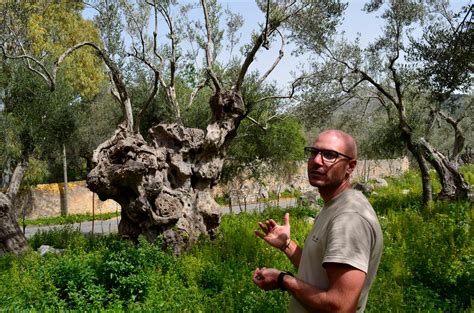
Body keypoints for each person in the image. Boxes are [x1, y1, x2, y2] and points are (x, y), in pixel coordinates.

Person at [252, 130, 383, 312]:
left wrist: (283, 279)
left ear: (350, 167)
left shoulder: (349, 219)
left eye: (330, 155)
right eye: (314, 152)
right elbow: (318, 271)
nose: (316, 160)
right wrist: (287, 245)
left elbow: (340, 306)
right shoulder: (334, 206)